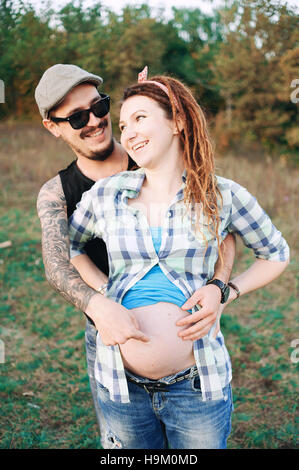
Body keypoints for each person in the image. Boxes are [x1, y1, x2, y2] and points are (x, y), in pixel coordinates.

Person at [68, 67, 290, 450]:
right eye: (124, 124)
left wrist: (225, 291)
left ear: (178, 122)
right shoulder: (108, 194)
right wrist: (103, 292)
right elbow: (68, 248)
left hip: (197, 386)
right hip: (121, 386)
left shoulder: (222, 195)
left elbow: (276, 254)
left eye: (140, 118)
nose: (130, 132)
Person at [34, 64, 236, 447]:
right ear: (53, 127)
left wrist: (219, 287)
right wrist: (102, 301)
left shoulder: (155, 156)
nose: (94, 121)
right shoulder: (56, 192)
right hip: (111, 344)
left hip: (192, 345)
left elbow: (223, 230)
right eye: (76, 117)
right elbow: (58, 263)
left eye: (100, 106)